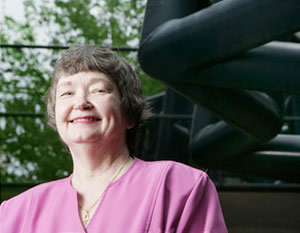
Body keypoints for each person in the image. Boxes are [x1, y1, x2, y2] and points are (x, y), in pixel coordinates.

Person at [0, 45, 228, 233]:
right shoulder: (14, 214)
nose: (81, 103)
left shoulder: (179, 186)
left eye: (98, 90)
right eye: (67, 93)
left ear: (128, 114)